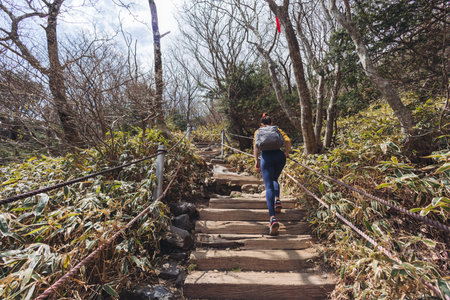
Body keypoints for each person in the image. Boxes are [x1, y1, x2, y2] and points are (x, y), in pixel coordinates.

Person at [253, 113, 291, 236]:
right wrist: (286, 153)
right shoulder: (277, 129)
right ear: (271, 122)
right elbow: (288, 141)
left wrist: (256, 161)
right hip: (280, 157)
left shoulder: (258, 131)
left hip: (266, 158)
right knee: (275, 178)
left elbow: (256, 147)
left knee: (268, 186)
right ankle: (277, 200)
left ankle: (272, 218)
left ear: (261, 123)